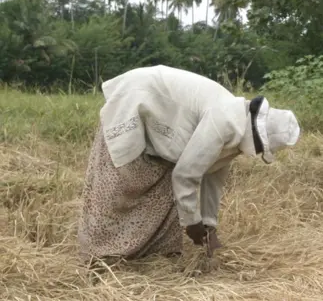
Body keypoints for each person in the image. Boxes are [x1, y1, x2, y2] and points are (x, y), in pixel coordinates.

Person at [77, 65, 300, 265]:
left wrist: (209, 226)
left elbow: (213, 178)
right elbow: (185, 175)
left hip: (156, 111)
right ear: (257, 136)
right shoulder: (225, 120)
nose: (257, 153)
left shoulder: (236, 126)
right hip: (138, 99)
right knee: (123, 185)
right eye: (261, 149)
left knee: (161, 188)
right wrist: (192, 222)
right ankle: (102, 256)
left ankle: (148, 254)